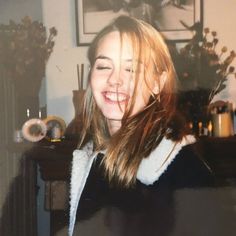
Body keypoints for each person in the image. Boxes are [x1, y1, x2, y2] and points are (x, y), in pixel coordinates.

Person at [69, 15, 235, 236]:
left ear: (158, 82)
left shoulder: (183, 169)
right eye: (103, 66)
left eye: (131, 69)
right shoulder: (93, 158)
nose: (114, 79)